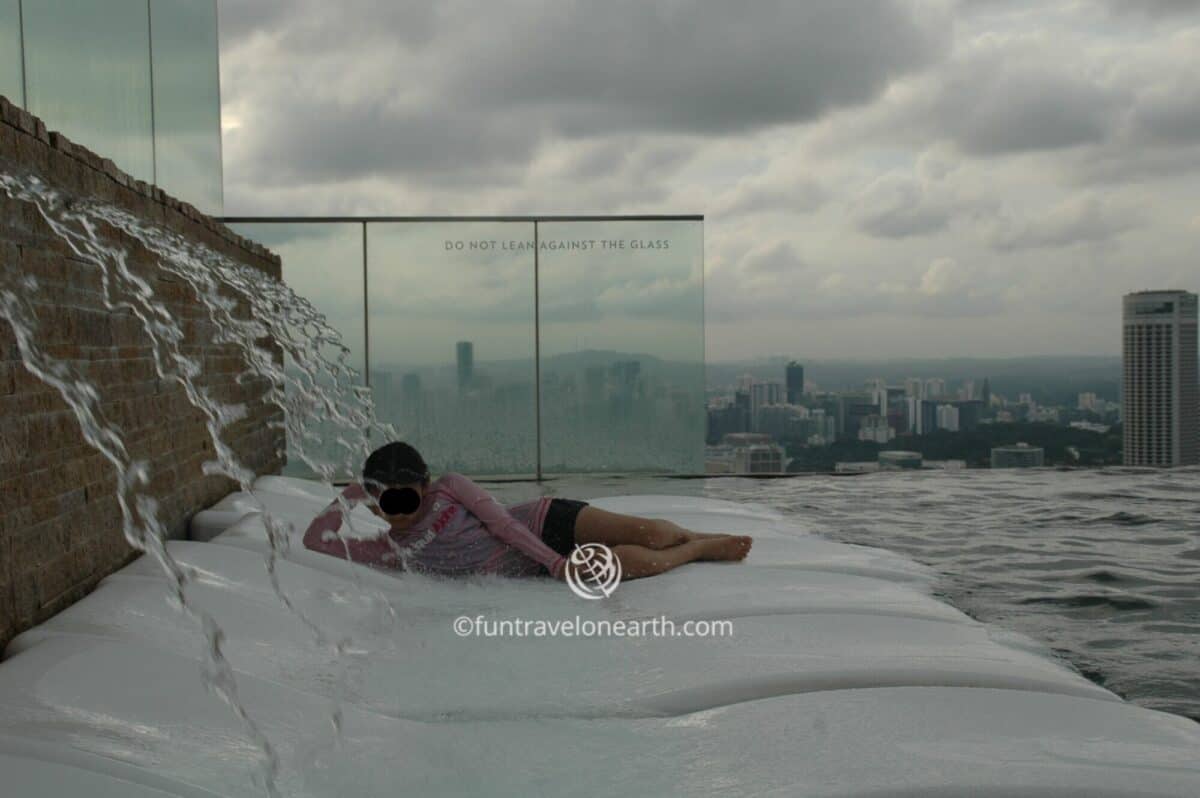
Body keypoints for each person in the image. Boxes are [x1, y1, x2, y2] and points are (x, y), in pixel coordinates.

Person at [302, 441, 753, 581]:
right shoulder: (389, 552)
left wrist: (555, 561)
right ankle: (696, 551)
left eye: (408, 499)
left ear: (425, 485)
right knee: (614, 566)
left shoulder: (450, 488)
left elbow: (500, 523)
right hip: (535, 569)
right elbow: (314, 542)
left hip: (543, 521)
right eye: (388, 503)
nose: (399, 513)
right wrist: (353, 491)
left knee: (649, 532)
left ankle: (688, 534)